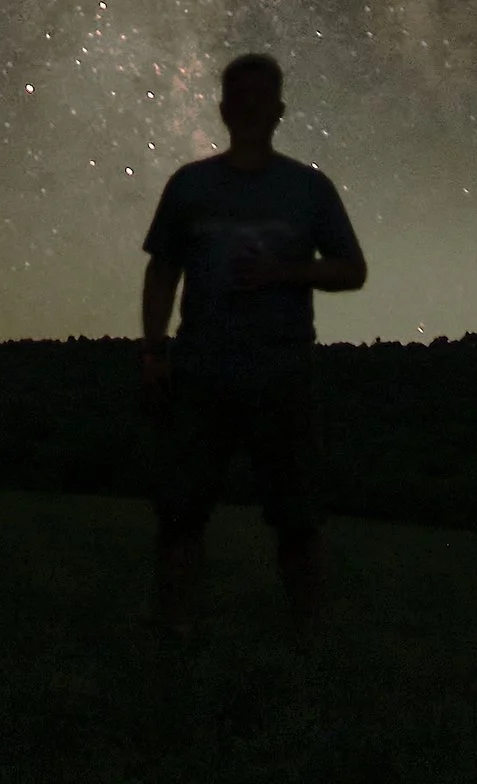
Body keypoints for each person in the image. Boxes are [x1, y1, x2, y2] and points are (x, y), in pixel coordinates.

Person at [138, 50, 367, 635]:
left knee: (297, 517)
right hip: (201, 369)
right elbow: (163, 270)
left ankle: (308, 637)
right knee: (181, 512)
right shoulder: (189, 186)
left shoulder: (309, 188)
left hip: (282, 370)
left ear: (279, 110)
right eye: (240, 97)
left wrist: (284, 274)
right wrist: (153, 348)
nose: (249, 107)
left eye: (260, 98)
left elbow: (351, 269)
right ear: (222, 108)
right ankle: (175, 633)